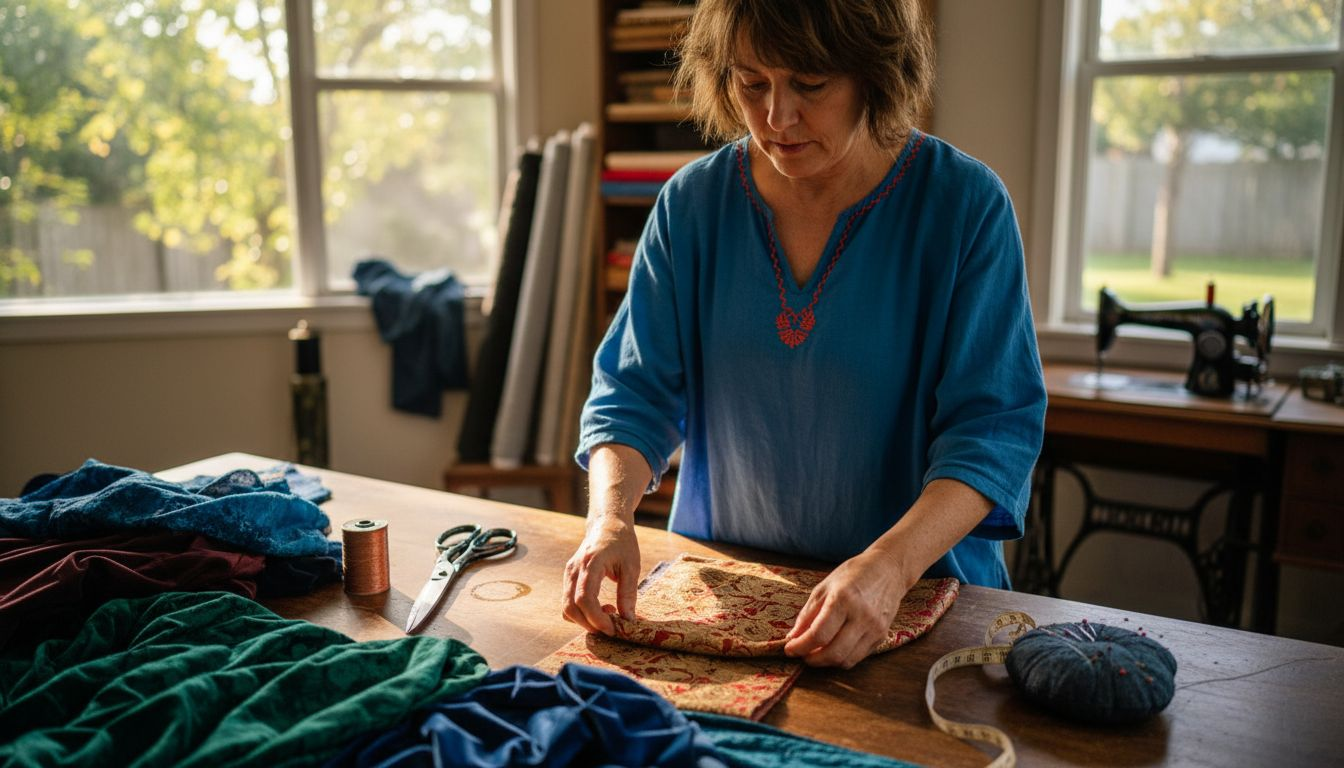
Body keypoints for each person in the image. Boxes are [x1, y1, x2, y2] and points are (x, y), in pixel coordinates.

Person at [561, 0, 1047, 669]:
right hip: (729, 595)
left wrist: (887, 567)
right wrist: (610, 520)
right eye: (751, 83)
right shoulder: (693, 206)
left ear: (875, 73)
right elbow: (632, 394)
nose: (776, 117)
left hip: (916, 598)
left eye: (810, 85)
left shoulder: (964, 207)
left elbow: (992, 434)